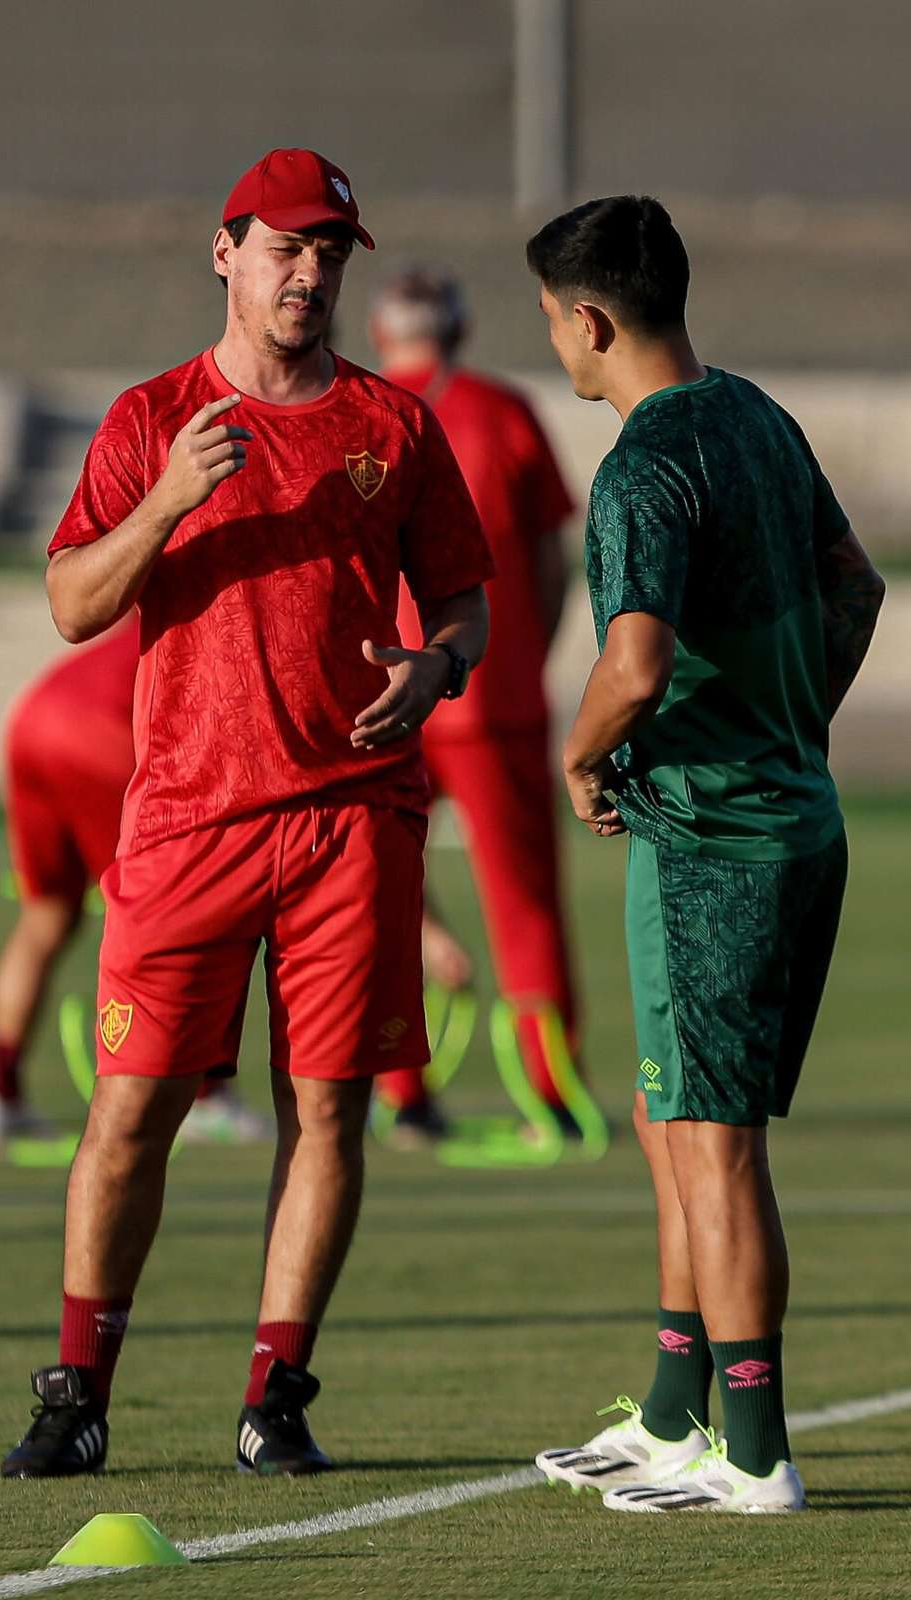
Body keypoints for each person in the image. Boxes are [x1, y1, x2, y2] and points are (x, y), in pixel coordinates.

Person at [0, 147, 493, 1480]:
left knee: (326, 1116)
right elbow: (72, 604)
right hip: (186, 824)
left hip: (351, 823)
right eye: (287, 249)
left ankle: (275, 1395)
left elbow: (466, 603)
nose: (312, 273)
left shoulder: (394, 425)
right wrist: (171, 499)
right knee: (130, 1113)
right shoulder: (152, 415)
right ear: (225, 252)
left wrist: (438, 666)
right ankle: (77, 1390)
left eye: (331, 251)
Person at [526, 196, 884, 1512]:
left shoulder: (643, 461)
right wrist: (789, 719)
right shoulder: (757, 416)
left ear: (593, 319)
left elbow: (633, 661)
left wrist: (578, 755)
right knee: (670, 1113)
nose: (555, 348)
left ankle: (755, 1452)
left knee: (717, 1143)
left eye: (553, 325)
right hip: (786, 820)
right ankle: (678, 1415)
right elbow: (858, 586)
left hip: (714, 845)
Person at [367, 268, 580, 1141]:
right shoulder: (505, 411)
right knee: (525, 902)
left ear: (382, 332)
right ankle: (551, 1091)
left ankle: (398, 1092)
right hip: (494, 692)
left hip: (387, 693)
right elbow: (552, 562)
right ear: (459, 328)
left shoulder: (361, 412)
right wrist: (528, 650)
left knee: (378, 893)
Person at [0, 617, 269, 1148]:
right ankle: (205, 1098)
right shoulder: (226, 627)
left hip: (33, 720)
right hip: (97, 729)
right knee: (190, 903)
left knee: (47, 915)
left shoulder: (156, 611)